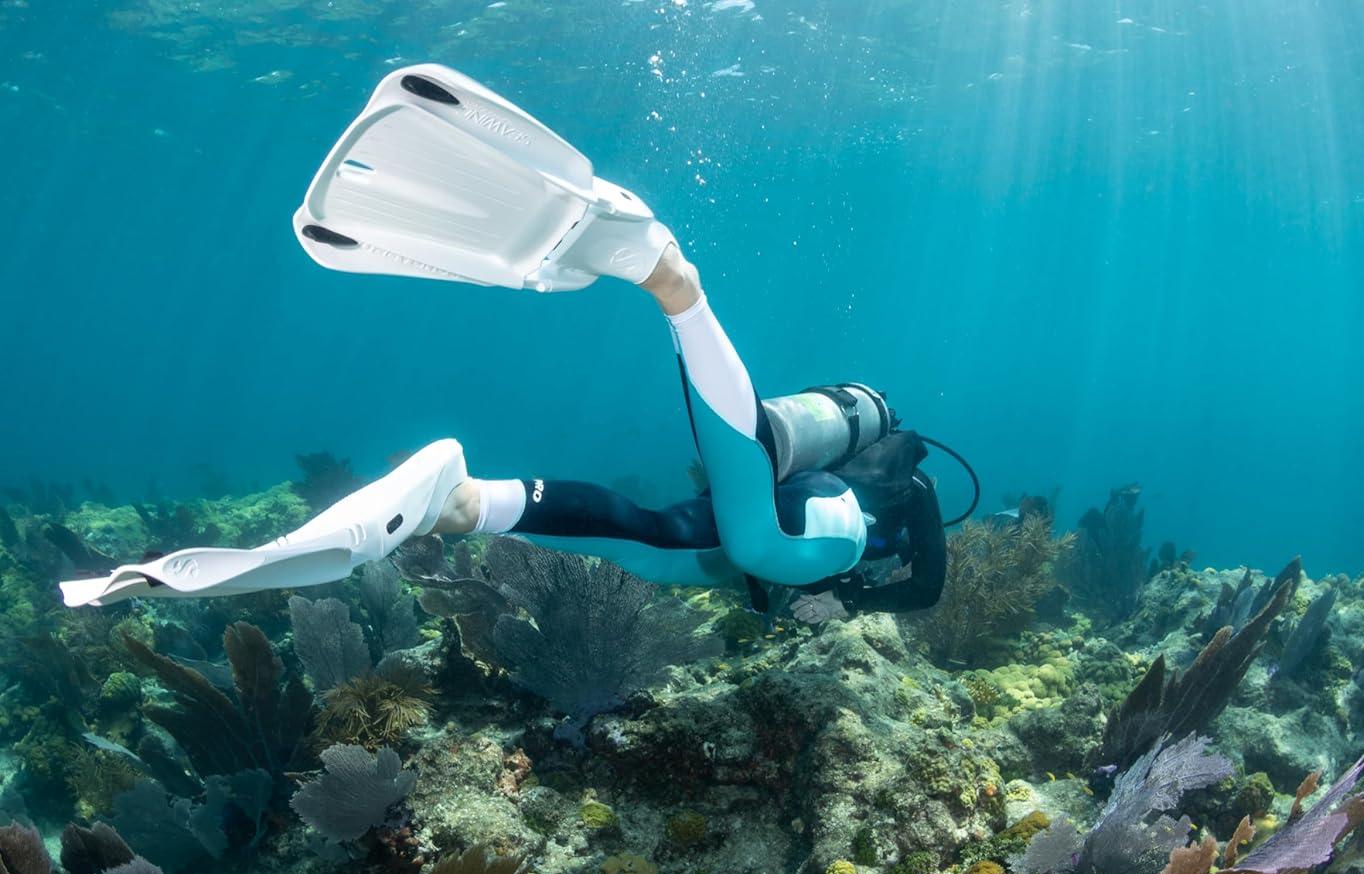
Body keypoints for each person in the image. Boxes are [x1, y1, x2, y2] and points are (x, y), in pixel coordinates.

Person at [60, 64, 951, 621]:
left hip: (757, 527)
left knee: (648, 535)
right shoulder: (909, 494)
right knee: (759, 545)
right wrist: (852, 601)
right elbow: (924, 591)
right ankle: (676, 288)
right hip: (809, 533)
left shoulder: (864, 471)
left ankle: (465, 500)